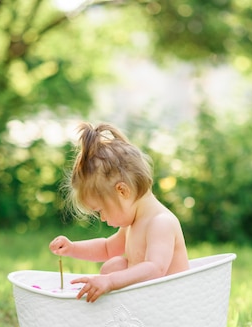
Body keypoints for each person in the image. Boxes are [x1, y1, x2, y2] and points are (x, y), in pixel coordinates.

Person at [49, 122, 189, 302]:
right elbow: (107, 248)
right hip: (152, 301)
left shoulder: (160, 222)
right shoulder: (133, 224)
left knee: (112, 272)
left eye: (101, 210)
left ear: (122, 191)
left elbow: (155, 269)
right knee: (114, 265)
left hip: (172, 302)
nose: (103, 217)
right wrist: (72, 248)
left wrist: (111, 281)